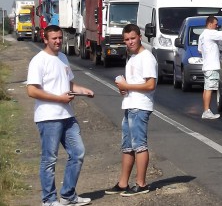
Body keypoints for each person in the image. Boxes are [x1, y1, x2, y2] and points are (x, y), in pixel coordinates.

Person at [26, 24, 94, 206]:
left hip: (67, 116)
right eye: (54, 38)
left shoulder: (63, 57)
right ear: (45, 38)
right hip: (48, 117)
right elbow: (32, 90)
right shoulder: (38, 61)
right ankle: (48, 200)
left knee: (78, 153)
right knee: (49, 159)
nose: (57, 41)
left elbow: (69, 84)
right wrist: (58, 99)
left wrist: (83, 90)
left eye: (59, 38)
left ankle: (68, 195)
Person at [105, 24, 157, 197]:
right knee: (127, 146)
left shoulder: (146, 57)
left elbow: (150, 85)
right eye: (126, 40)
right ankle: (122, 183)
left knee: (139, 145)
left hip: (140, 106)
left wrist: (127, 85)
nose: (130, 42)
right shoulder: (132, 57)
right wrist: (124, 88)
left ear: (139, 36)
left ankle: (141, 183)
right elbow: (134, 82)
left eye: (132, 38)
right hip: (129, 104)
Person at [198, 15, 222, 119]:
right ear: (210, 24)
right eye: (215, 24)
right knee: (210, 88)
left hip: (206, 65)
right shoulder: (210, 33)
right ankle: (207, 111)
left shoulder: (202, 35)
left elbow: (200, 50)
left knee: (206, 88)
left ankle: (206, 110)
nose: (217, 25)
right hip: (212, 66)